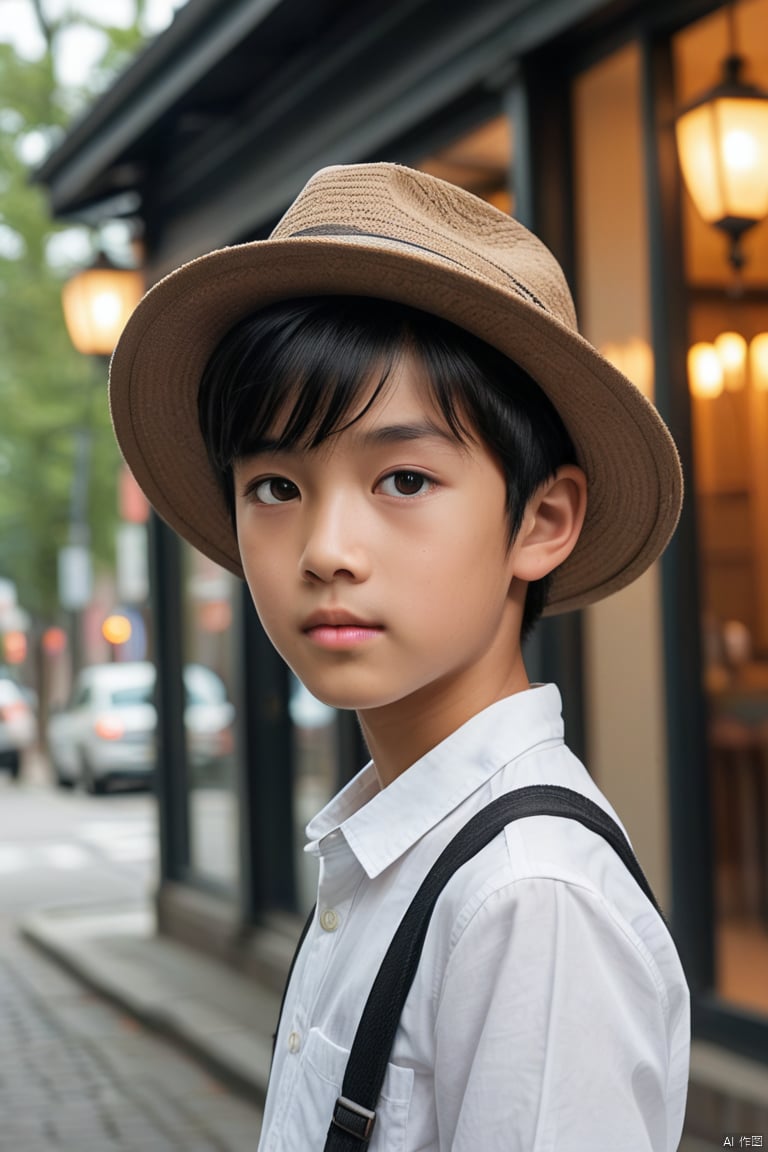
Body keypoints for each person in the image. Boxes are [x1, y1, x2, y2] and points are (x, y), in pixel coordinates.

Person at [109, 162, 690, 1151]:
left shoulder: (525, 905)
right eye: (276, 488)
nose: (328, 550)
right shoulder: (390, 843)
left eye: (404, 477)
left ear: (541, 519)